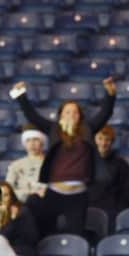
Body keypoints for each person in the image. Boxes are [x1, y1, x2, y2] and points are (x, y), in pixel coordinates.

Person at [10, 77, 116, 238]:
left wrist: (110, 93)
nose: (71, 114)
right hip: (54, 193)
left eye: (75, 112)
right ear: (60, 115)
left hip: (78, 195)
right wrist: (21, 95)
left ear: (80, 116)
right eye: (67, 111)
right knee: (44, 231)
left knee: (76, 235)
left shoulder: (87, 129)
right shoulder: (54, 129)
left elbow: (105, 113)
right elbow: (32, 116)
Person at [88, 125, 129, 223]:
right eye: (100, 138)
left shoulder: (121, 164)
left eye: (107, 140)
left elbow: (126, 191)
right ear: (94, 140)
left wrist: (118, 212)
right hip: (88, 209)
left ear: (112, 142)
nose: (103, 143)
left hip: (111, 212)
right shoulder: (85, 160)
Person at [5, 125, 47, 203]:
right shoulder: (16, 165)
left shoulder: (52, 163)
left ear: (42, 142)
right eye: (28, 140)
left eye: (35, 139)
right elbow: (7, 189)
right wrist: (26, 194)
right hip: (23, 205)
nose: (32, 144)